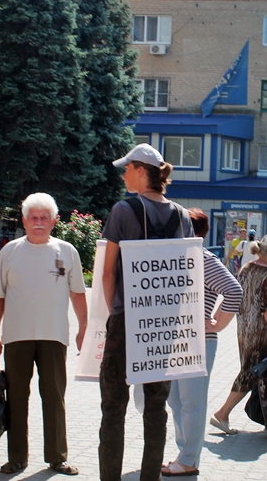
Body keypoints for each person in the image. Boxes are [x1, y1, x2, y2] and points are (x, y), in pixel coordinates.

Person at [99, 143, 194, 481]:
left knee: (113, 407)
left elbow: (108, 272)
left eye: (127, 168)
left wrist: (114, 313)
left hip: (127, 320)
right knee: (156, 409)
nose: (123, 173)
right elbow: (185, 275)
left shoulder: (123, 210)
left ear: (141, 171)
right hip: (163, 325)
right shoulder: (182, 215)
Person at [0, 192, 88, 476]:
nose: (39, 222)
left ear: (54, 221)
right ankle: (17, 458)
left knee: (54, 396)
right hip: (16, 337)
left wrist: (84, 328)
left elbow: (78, 293)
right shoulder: (10, 252)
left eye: (44, 217)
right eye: (33, 217)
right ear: (24, 220)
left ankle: (57, 458)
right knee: (17, 397)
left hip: (54, 336)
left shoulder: (66, 251)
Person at [162, 209, 242, 477]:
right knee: (176, 400)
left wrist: (218, 322)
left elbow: (233, 290)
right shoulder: (176, 259)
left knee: (192, 401)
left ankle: (189, 459)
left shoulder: (202, 259)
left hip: (198, 341)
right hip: (175, 340)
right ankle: (184, 453)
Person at [210, 234, 267, 434]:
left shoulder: (246, 268)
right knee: (251, 373)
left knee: (264, 372)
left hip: (245, 329)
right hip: (261, 333)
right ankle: (222, 413)